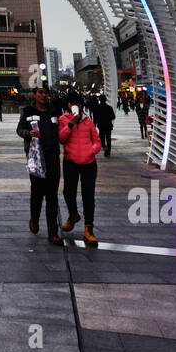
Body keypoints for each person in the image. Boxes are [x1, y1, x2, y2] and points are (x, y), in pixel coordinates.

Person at [17, 86, 63, 244]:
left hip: (53, 158)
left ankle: (53, 232)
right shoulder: (28, 111)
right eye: (40, 93)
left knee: (52, 196)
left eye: (46, 93)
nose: (44, 96)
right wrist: (28, 134)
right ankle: (34, 219)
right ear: (35, 95)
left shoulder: (55, 112)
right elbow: (20, 129)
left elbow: (62, 132)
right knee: (37, 194)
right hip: (36, 159)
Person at [59, 96, 102, 245]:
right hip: (70, 161)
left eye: (78, 103)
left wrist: (91, 151)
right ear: (68, 105)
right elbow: (61, 138)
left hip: (89, 163)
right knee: (68, 192)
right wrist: (70, 124)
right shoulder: (63, 119)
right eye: (73, 103)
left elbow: (97, 141)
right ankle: (73, 215)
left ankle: (88, 229)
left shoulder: (88, 121)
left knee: (88, 195)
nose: (75, 106)